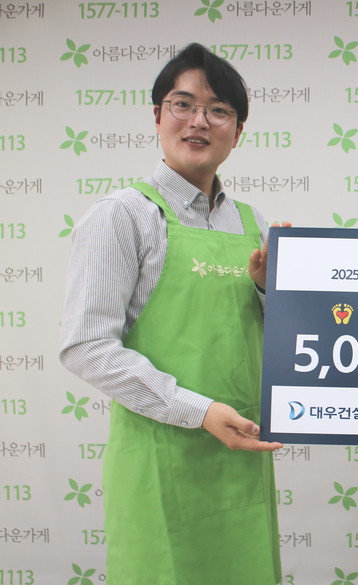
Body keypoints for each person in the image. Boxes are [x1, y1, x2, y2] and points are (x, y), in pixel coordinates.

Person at [60, 43, 285, 584]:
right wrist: (198, 410)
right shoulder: (122, 216)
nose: (199, 121)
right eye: (183, 104)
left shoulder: (253, 223)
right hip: (160, 460)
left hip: (242, 453)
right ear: (158, 116)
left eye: (218, 110)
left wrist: (266, 290)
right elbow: (86, 347)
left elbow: (275, 338)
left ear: (238, 131)